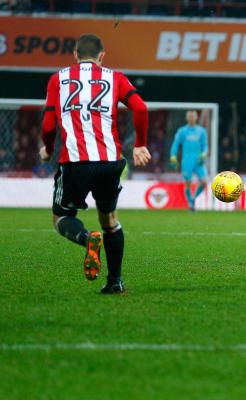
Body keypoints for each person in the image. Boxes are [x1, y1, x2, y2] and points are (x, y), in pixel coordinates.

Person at [39, 34, 151, 294]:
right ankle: (115, 282)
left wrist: (46, 148)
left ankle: (86, 238)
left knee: (62, 217)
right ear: (102, 55)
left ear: (75, 54)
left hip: (76, 161)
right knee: (110, 220)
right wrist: (140, 144)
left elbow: (47, 124)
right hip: (110, 162)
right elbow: (141, 108)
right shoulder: (116, 77)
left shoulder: (58, 79)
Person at [169, 110, 208, 211]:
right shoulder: (182, 131)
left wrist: (204, 153)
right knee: (188, 183)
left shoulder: (201, 131)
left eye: (193, 116)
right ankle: (190, 204)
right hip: (187, 161)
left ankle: (193, 198)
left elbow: (205, 146)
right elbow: (175, 144)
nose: (191, 118)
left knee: (204, 182)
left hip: (199, 160)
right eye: (190, 116)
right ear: (187, 118)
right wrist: (173, 155)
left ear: (196, 118)